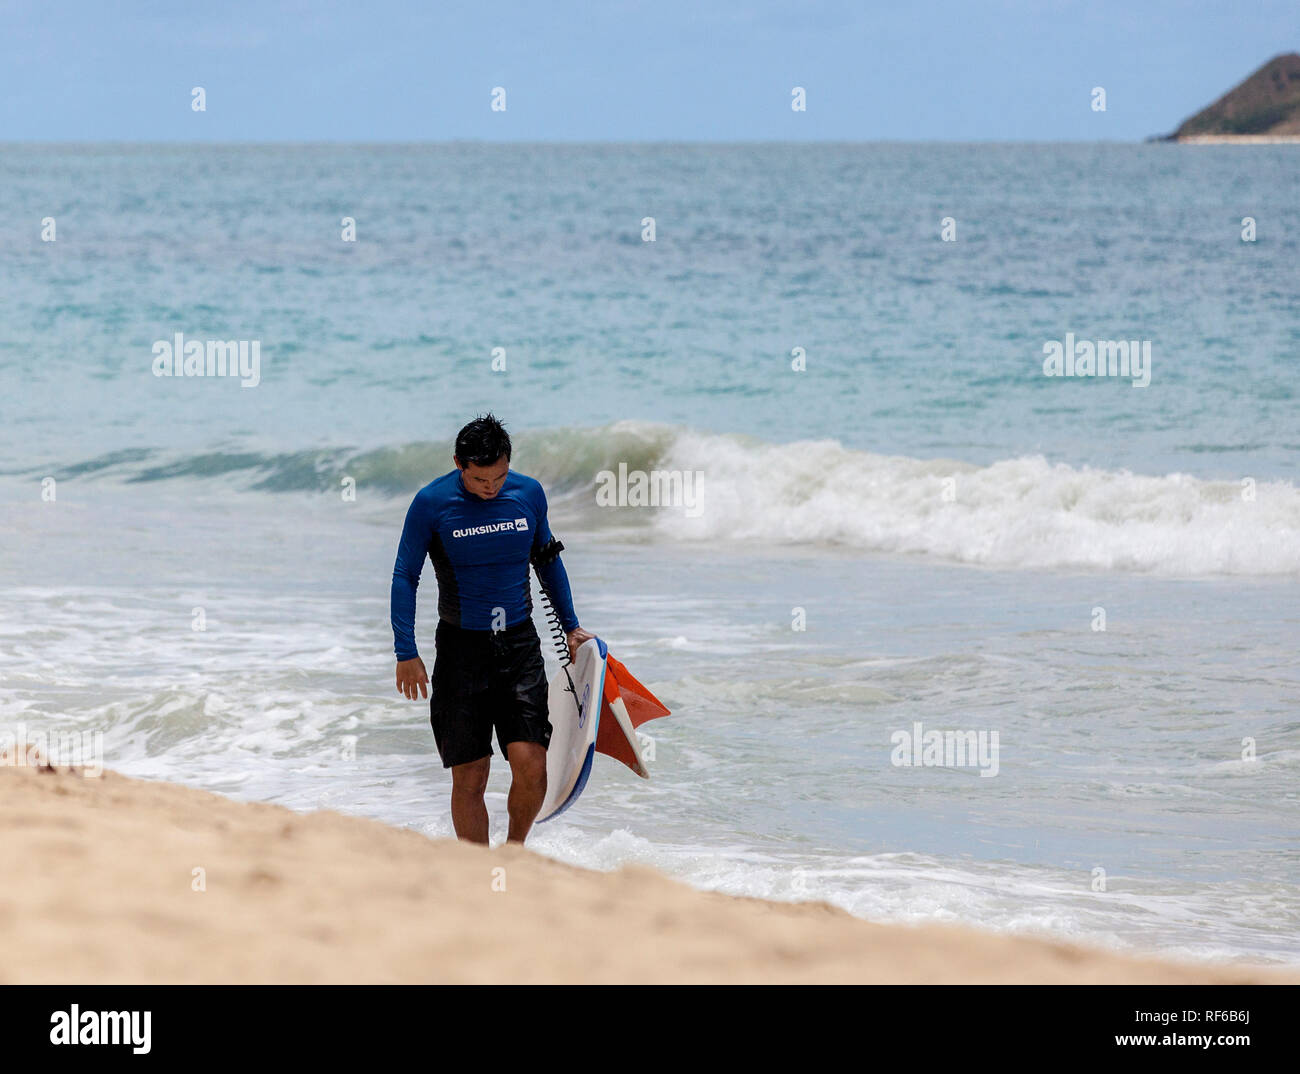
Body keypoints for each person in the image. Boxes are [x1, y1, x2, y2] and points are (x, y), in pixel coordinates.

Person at [390, 413, 593, 845]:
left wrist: (571, 627)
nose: (491, 487)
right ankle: (474, 867)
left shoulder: (528, 495)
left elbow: (548, 561)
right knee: (470, 774)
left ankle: (514, 853)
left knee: (531, 764)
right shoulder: (431, 503)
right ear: (459, 464)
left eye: (499, 476)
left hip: (518, 646)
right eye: (481, 479)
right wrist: (405, 652)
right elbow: (406, 574)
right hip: (462, 651)